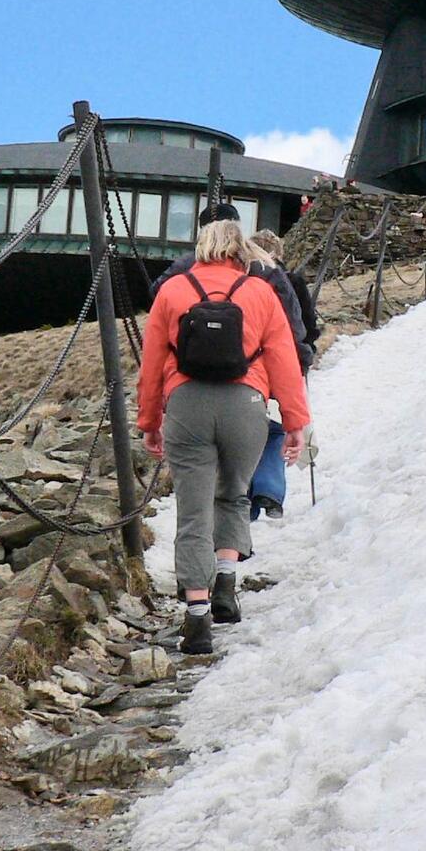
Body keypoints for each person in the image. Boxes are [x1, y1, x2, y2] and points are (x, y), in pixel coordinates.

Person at [137, 220, 309, 655]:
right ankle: (226, 588)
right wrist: (294, 422)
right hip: (245, 406)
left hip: (187, 405)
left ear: (201, 247)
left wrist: (150, 421)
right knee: (234, 495)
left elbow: (152, 361)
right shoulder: (260, 293)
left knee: (194, 511)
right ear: (241, 250)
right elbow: (285, 362)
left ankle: (196, 619)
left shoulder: (172, 291)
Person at [154, 203, 314, 373]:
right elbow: (291, 320)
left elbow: (157, 292)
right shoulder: (264, 265)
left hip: (188, 362)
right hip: (250, 366)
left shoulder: (188, 263)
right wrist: (302, 356)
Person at [245, 229, 321, 521]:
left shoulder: (242, 280)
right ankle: (270, 489)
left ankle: (249, 504)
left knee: (253, 430)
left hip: (250, 368)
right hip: (285, 364)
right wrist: (304, 357)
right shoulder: (292, 281)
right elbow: (308, 327)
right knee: (279, 430)